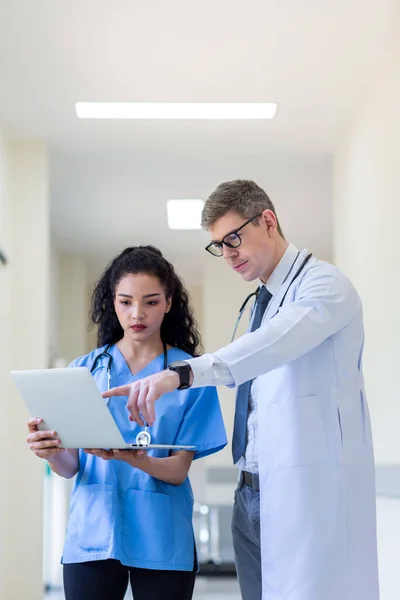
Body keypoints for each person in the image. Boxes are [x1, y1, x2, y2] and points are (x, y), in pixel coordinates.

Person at [104, 181, 380, 600]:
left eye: (233, 238)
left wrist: (178, 374)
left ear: (267, 221)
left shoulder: (325, 287)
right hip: (250, 490)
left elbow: (273, 344)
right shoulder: (263, 301)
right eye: (218, 246)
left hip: (306, 490)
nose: (228, 254)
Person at [26, 245, 227, 600]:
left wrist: (130, 457)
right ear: (112, 302)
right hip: (93, 534)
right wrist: (50, 452)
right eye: (125, 302)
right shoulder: (83, 370)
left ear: (168, 303)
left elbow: (178, 471)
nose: (137, 314)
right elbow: (71, 465)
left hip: (162, 536)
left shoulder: (189, 375)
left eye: (150, 302)